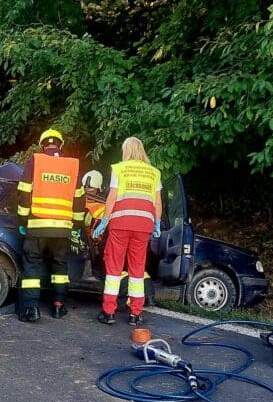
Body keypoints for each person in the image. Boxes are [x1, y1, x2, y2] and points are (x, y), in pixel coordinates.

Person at [15, 129, 85, 321]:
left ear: (42, 144)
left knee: (32, 266)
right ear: (60, 145)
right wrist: (77, 225)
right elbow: (79, 198)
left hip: (37, 225)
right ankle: (58, 306)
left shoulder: (36, 161)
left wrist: (22, 220)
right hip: (62, 228)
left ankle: (31, 309)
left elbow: (24, 191)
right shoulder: (72, 165)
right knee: (60, 267)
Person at [93, 137, 162, 326]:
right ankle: (136, 314)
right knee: (137, 270)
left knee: (114, 269)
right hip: (143, 227)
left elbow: (113, 197)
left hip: (120, 223)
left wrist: (104, 220)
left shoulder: (120, 169)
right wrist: (157, 223)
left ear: (126, 151)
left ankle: (109, 312)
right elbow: (157, 202)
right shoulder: (154, 173)